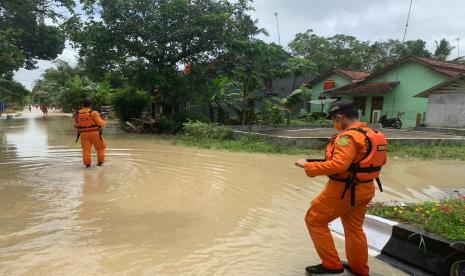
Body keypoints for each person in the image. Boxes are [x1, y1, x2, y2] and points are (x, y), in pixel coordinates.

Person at [295, 100, 387, 276]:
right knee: (354, 228)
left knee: (314, 220)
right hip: (365, 189)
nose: (334, 123)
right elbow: (381, 161)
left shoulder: (347, 137)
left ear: (339, 117)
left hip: (343, 190)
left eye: (334, 120)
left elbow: (339, 165)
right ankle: (359, 268)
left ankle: (331, 265)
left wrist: (307, 166)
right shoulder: (374, 134)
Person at [74, 99, 107, 168]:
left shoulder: (77, 114)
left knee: (86, 150)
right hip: (95, 134)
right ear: (91, 105)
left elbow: (77, 124)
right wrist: (104, 120)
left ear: (82, 105)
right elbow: (100, 124)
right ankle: (100, 164)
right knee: (100, 149)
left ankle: (87, 165)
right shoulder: (94, 113)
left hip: (84, 135)